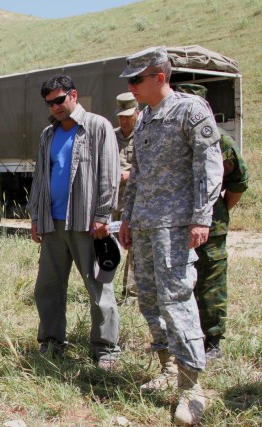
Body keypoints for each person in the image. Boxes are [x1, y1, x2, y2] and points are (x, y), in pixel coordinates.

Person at [118, 47, 223, 425]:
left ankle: (191, 388)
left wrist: (201, 217)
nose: (131, 88)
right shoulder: (145, 117)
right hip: (145, 225)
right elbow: (138, 174)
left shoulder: (190, 110)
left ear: (159, 77)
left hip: (175, 225)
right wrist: (127, 218)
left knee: (177, 300)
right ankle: (166, 370)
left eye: (136, 80)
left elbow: (208, 166)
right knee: (149, 299)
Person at [26, 74, 121, 371]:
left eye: (59, 100)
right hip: (53, 223)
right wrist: (35, 217)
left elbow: (109, 174)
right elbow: (41, 178)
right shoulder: (47, 135)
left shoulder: (97, 126)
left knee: (98, 287)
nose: (55, 107)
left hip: (86, 223)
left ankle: (105, 349)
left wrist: (103, 216)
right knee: (48, 287)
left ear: (73, 95)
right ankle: (52, 341)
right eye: (49, 103)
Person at [176, 83, 249, 361]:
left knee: (211, 281)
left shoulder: (220, 141)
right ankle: (184, 335)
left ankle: (213, 340)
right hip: (177, 222)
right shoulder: (174, 140)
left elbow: (238, 183)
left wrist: (219, 213)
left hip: (211, 224)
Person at [114, 92, 139, 305]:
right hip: (112, 202)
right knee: (103, 245)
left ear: (137, 113)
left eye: (128, 116)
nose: (123, 120)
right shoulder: (111, 136)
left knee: (133, 247)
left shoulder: (144, 135)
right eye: (121, 116)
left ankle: (130, 295)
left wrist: (128, 175)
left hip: (134, 203)